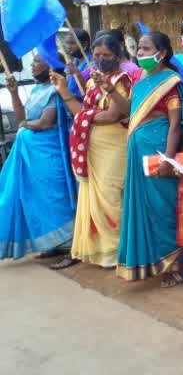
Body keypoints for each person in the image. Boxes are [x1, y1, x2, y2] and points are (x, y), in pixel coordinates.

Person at [50, 34, 133, 269]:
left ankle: (121, 251)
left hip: (114, 147)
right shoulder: (90, 83)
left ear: (118, 55)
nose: (100, 59)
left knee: (111, 198)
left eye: (106, 55)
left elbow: (115, 115)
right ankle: (103, 253)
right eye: (96, 55)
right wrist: (64, 91)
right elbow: (81, 113)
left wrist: (89, 116)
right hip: (92, 148)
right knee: (95, 199)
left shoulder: (121, 80)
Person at [115, 32, 183, 287]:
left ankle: (177, 264)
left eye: (146, 49)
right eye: (139, 49)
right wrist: (108, 91)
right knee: (144, 207)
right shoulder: (141, 80)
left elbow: (175, 125)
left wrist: (168, 158)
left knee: (163, 207)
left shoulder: (170, 81)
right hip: (137, 150)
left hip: (158, 151)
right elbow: (128, 111)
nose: (141, 54)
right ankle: (154, 262)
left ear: (162, 53)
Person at [0, 56, 77, 263]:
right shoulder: (36, 90)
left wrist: (25, 124)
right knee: (38, 198)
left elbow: (44, 123)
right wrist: (14, 93)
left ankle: (71, 247)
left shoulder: (55, 90)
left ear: (51, 66)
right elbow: (20, 116)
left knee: (55, 197)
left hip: (49, 154)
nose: (31, 66)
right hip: (32, 155)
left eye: (36, 62)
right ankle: (53, 244)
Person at [64, 28, 92, 97]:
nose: (68, 47)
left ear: (85, 45)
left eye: (72, 43)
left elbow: (91, 91)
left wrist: (77, 74)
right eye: (67, 43)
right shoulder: (73, 63)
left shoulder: (93, 65)